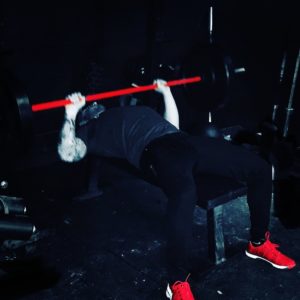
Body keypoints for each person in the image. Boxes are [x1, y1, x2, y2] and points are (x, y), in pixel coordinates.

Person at [57, 79, 296, 300]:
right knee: (184, 195)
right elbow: (68, 153)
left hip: (184, 141)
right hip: (155, 152)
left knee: (259, 168)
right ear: (84, 118)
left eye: (93, 103)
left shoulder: (133, 110)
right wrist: (71, 112)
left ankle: (257, 242)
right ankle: (177, 282)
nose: (94, 104)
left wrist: (166, 93)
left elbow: (172, 126)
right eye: (89, 107)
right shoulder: (91, 130)